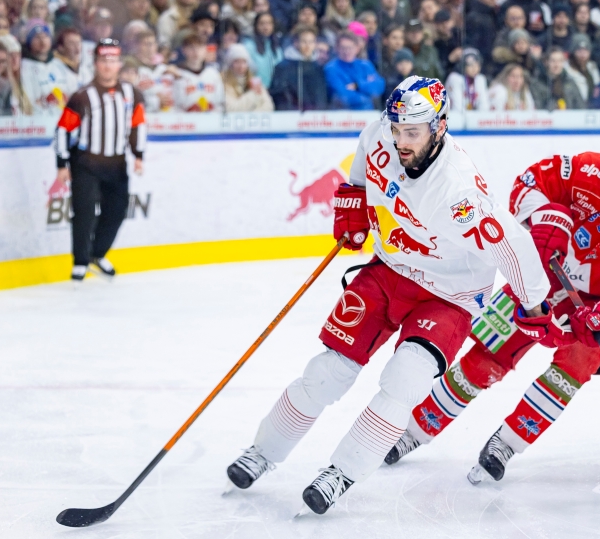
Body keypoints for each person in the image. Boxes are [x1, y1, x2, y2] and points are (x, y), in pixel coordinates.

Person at [224, 77, 551, 514]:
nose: (399, 140)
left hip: (449, 295)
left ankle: (344, 471)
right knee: (327, 371)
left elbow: (510, 244)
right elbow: (364, 156)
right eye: (396, 128)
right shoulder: (383, 132)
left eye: (411, 132)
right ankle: (263, 452)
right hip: (389, 269)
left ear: (440, 127)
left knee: (405, 380)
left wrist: (534, 305)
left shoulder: (460, 194)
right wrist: (353, 198)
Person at [381, 125, 600, 481]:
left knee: (569, 371)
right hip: (545, 279)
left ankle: (506, 444)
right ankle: (414, 431)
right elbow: (529, 182)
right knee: (486, 355)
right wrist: (545, 222)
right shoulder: (587, 168)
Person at [53, 39, 146, 281]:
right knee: (84, 211)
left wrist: (138, 154)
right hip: (86, 163)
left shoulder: (131, 94)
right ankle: (81, 260)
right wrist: (62, 163)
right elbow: (63, 129)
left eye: (113, 60)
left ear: (119, 64)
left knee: (117, 211)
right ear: (95, 63)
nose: (108, 65)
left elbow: (137, 125)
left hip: (116, 163)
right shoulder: (82, 96)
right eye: (103, 60)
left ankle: (98, 253)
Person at [324, 31, 385, 110]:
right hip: (343, 115)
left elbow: (379, 86)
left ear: (357, 48)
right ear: (337, 49)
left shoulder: (366, 65)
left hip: (368, 115)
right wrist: (368, 95)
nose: (347, 51)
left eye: (350, 48)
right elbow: (343, 96)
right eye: (343, 48)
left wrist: (358, 86)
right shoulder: (331, 68)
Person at [270, 28, 328, 111]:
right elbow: (278, 93)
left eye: (311, 42)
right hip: (290, 116)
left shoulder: (318, 67)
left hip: (314, 117)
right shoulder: (283, 67)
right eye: (304, 41)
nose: (308, 45)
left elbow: (321, 96)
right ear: (296, 43)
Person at [221, 44, 273, 112]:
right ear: (230, 64)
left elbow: (268, 105)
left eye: (244, 62)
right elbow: (231, 108)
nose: (241, 66)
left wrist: (254, 114)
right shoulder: (225, 83)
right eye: (237, 62)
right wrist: (253, 95)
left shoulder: (254, 81)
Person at [243, 12, 283, 88]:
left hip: (275, 89)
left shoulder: (277, 47)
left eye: (269, 23)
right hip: (256, 89)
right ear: (256, 26)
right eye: (262, 23)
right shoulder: (249, 46)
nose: (265, 27)